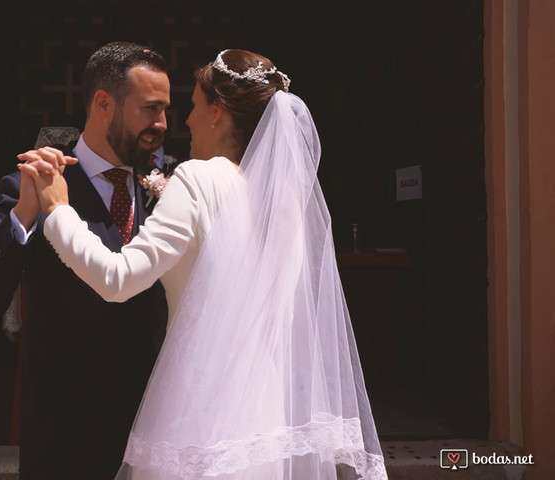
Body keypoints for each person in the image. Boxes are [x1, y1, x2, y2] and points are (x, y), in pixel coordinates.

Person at [19, 49, 388, 479]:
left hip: (200, 407)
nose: (185, 122)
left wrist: (59, 209)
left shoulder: (199, 179)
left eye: (193, 106)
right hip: (267, 409)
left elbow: (117, 279)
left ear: (217, 112)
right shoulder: (287, 202)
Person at [0, 41, 170, 479]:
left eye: (166, 110)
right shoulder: (35, 185)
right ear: (103, 103)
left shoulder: (172, 190)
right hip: (64, 439)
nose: (161, 124)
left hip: (154, 432)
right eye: (150, 109)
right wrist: (24, 215)